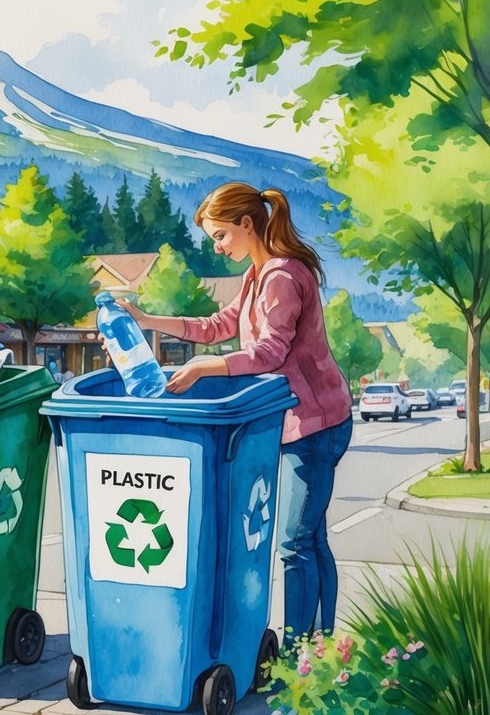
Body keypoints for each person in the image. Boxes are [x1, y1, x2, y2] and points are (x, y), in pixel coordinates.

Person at [114, 182, 351, 647]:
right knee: (310, 538)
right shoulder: (257, 274)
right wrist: (148, 320)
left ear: (247, 224)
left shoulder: (282, 276)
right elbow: (218, 325)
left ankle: (299, 655)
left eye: (220, 236)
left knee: (294, 543)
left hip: (314, 424)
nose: (217, 247)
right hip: (297, 421)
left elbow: (268, 353)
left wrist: (208, 367)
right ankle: (319, 649)